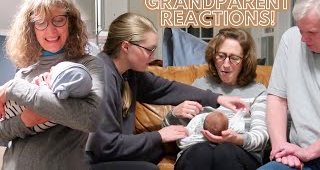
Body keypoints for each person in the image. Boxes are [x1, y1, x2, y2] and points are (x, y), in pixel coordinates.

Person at [85, 13, 248, 170]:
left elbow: (167, 88)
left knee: (156, 150)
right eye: (149, 50)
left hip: (107, 153)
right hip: (88, 160)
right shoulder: (102, 78)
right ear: (126, 46)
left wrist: (217, 98)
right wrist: (160, 135)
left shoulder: (129, 73)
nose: (153, 56)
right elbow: (106, 146)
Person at [0, 0, 104, 169]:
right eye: (40, 22)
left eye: (58, 20)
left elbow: (92, 118)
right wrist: (25, 121)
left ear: (70, 22)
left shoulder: (88, 65)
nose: (50, 30)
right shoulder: (23, 72)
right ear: (31, 28)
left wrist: (15, 87)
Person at [163, 28, 269, 170]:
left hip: (240, 153)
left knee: (225, 151)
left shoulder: (258, 91)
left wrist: (236, 139)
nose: (225, 64)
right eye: (221, 56)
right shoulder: (200, 85)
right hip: (197, 151)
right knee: (202, 151)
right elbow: (172, 131)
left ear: (245, 60)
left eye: (234, 58)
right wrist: (174, 114)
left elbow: (261, 137)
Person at [258, 0, 320, 169]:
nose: (303, 38)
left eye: (311, 32)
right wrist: (280, 149)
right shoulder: (290, 39)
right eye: (301, 30)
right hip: (297, 155)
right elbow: (277, 99)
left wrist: (310, 152)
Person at [2, 61, 93, 133]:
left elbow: (92, 120)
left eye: (52, 72)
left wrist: (12, 87)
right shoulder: (25, 70)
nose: (51, 68)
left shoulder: (89, 64)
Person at [177, 106, 247, 151]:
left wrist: (184, 132)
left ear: (203, 129)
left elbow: (183, 142)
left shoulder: (197, 138)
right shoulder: (231, 130)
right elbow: (237, 122)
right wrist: (240, 113)